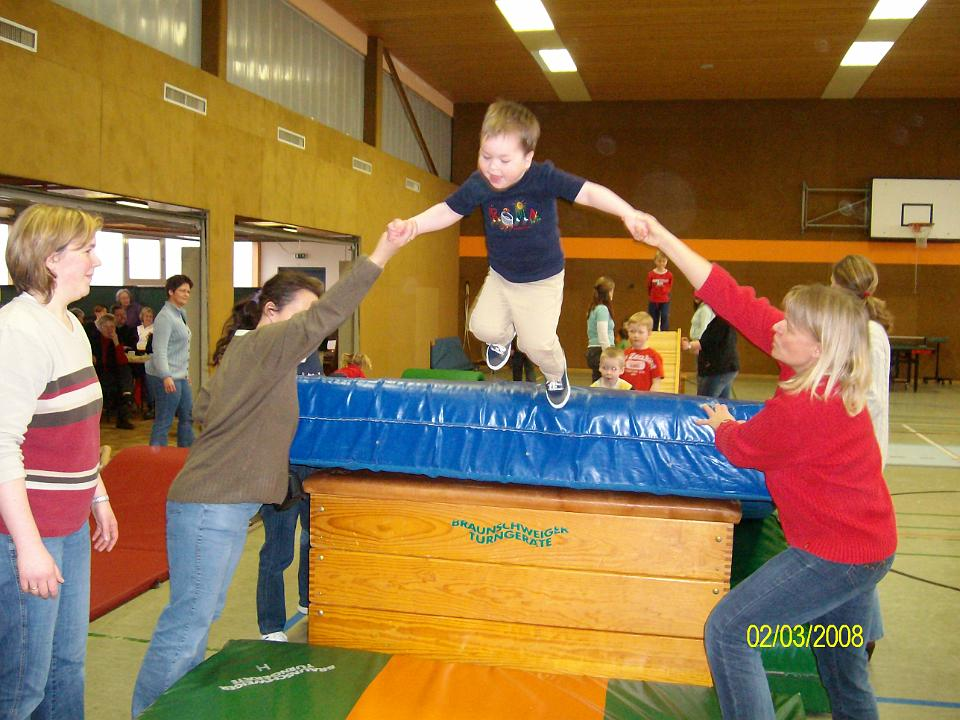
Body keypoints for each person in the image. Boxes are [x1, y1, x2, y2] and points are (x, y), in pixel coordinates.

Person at [631, 212, 896, 720]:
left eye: (790, 326)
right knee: (841, 665)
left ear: (817, 346)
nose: (778, 327)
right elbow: (732, 297)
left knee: (729, 632)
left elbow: (743, 447)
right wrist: (664, 238)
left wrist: (723, 425)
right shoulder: (822, 368)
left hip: (836, 557)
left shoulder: (806, 407)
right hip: (867, 548)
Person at [132, 232, 404, 717]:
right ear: (272, 313)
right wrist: (382, 253)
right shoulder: (264, 346)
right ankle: (148, 711)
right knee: (188, 624)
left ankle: (163, 709)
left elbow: (206, 410)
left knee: (199, 617)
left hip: (221, 506)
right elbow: (329, 315)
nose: (311, 330)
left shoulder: (255, 357)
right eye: (304, 316)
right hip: (210, 506)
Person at [387, 99, 644, 409]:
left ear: (527, 158)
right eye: (486, 156)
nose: (493, 167)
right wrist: (414, 225)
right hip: (502, 275)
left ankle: (556, 374)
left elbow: (588, 191)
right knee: (481, 327)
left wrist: (627, 212)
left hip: (542, 280)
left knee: (536, 345)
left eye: (504, 160)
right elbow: (448, 210)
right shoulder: (481, 184)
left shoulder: (542, 178)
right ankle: (501, 338)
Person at [0, 204, 119, 718]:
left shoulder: (70, 325)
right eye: (87, 250)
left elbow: (79, 429)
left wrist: (98, 496)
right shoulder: (18, 332)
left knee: (66, 665)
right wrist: (28, 547)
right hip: (30, 530)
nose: (97, 260)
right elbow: (1, 445)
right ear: (51, 259)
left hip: (68, 525)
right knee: (23, 683)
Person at [831, 254, 894, 660]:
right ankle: (866, 633)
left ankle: (862, 636)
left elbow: (868, 399)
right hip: (857, 457)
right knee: (855, 549)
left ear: (839, 286)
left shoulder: (867, 333)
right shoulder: (857, 328)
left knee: (855, 553)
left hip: (859, 461)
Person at [145, 275, 194, 447]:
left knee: (188, 416)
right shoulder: (165, 317)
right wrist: (166, 376)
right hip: (166, 376)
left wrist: (186, 373)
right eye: (182, 291)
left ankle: (186, 453)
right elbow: (159, 349)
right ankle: (156, 457)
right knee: (164, 420)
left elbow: (181, 350)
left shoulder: (180, 314)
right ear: (171, 292)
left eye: (188, 291)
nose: (186, 294)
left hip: (180, 376)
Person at [682, 299, 740, 399]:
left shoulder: (720, 322)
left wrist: (689, 345)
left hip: (719, 369)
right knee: (723, 402)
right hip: (727, 368)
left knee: (704, 400)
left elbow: (706, 342)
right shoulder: (724, 321)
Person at [92, 313, 137, 430]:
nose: (110, 330)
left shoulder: (117, 339)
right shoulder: (93, 339)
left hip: (113, 373)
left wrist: (116, 342)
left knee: (125, 370)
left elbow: (122, 361)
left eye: (112, 327)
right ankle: (127, 394)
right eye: (106, 327)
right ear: (100, 327)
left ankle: (126, 395)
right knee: (123, 376)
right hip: (98, 373)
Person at [622, 311, 663, 392]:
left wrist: (650, 397)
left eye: (640, 332)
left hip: (643, 397)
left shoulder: (654, 356)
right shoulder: (623, 354)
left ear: (649, 333)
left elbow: (656, 382)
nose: (636, 335)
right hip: (623, 396)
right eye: (632, 331)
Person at [586, 276, 616, 382]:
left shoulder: (593, 308)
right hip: (600, 350)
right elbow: (602, 334)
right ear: (608, 292)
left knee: (598, 382)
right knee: (605, 383)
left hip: (594, 350)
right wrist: (609, 354)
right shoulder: (602, 309)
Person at [647, 250, 673, 331]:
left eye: (663, 261)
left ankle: (664, 331)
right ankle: (653, 331)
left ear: (667, 261)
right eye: (659, 261)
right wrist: (652, 295)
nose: (661, 263)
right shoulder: (651, 274)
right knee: (653, 317)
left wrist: (664, 292)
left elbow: (670, 286)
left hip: (664, 300)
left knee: (665, 315)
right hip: (654, 299)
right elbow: (649, 286)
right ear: (655, 261)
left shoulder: (669, 275)